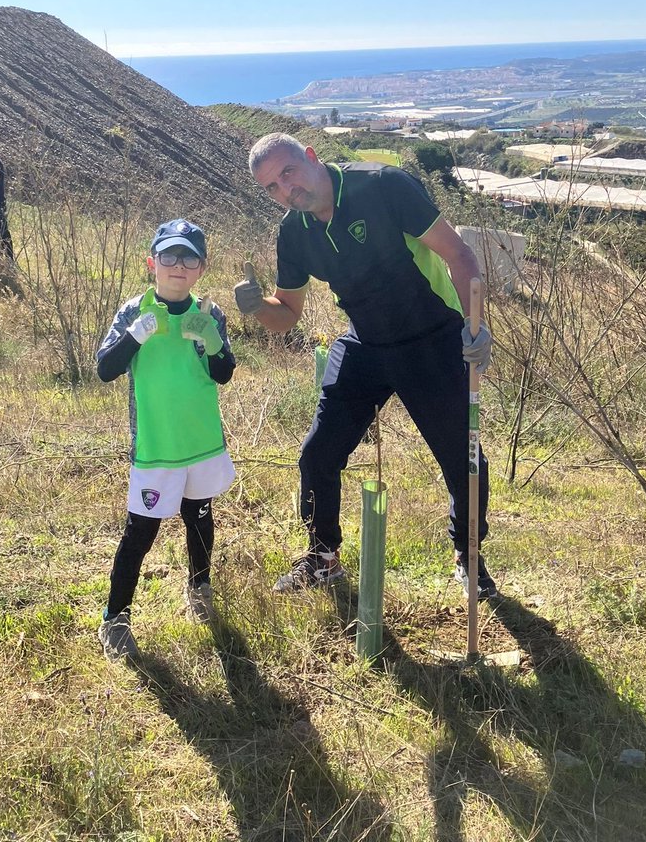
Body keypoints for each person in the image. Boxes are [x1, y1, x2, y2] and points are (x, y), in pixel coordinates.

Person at [235, 134, 496, 598]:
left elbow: (459, 254)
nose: (285, 191)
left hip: (431, 337)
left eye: (288, 173)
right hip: (366, 342)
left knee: (464, 457)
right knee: (318, 454)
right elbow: (287, 315)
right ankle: (323, 557)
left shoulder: (382, 185)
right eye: (271, 187)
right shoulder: (294, 233)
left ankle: (468, 556)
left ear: (311, 157)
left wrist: (474, 328)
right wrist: (257, 307)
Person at [95, 218, 236, 661]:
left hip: (201, 442)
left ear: (201, 267)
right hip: (156, 445)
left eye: (189, 258)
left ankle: (198, 588)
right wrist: (138, 334)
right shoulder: (134, 310)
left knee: (200, 516)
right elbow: (104, 369)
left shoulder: (209, 312)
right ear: (152, 262)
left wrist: (212, 340)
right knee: (141, 531)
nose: (179, 266)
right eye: (170, 256)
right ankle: (114, 620)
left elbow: (224, 373)